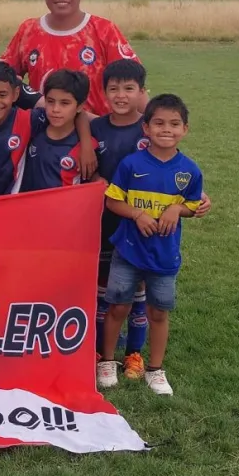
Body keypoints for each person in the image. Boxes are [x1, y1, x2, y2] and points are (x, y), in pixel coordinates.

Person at [98, 94, 204, 396]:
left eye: (174, 124)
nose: (166, 129)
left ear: (185, 129)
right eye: (158, 123)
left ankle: (155, 369)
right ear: (146, 128)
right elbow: (112, 201)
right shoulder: (131, 164)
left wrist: (177, 209)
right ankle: (107, 362)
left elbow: (194, 206)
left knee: (158, 312)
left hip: (164, 256)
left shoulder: (190, 171)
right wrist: (137, 214)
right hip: (128, 251)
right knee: (118, 306)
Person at [0, 0, 144, 116]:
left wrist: (151, 121)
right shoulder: (28, 30)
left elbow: (134, 84)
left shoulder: (104, 30)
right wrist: (35, 100)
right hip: (44, 129)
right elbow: (1, 77)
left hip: (97, 129)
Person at [90, 59, 151, 374]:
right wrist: (95, 177)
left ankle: (134, 354)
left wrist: (196, 193)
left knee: (137, 294)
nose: (121, 95)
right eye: (113, 89)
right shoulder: (96, 127)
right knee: (104, 292)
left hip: (139, 224)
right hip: (103, 222)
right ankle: (102, 353)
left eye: (129, 88)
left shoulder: (149, 128)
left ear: (142, 92)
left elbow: (170, 164)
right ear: (104, 92)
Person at [0, 62, 45, 197]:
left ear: (15, 94)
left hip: (13, 201)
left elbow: (70, 113)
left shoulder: (27, 120)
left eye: (2, 95)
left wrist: (85, 141)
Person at [19, 69, 98, 192]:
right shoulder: (35, 126)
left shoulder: (86, 148)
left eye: (64, 103)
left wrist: (98, 180)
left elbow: (92, 180)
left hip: (65, 204)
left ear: (80, 106)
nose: (55, 109)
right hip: (25, 202)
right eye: (50, 101)